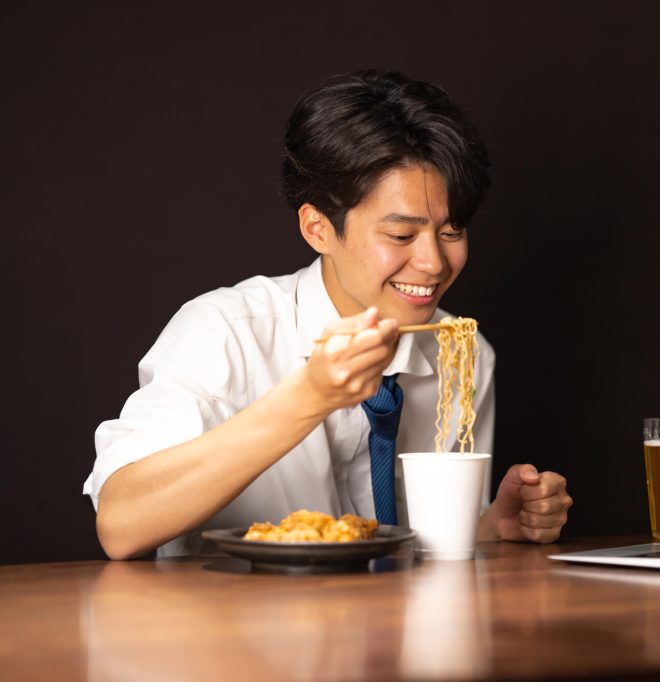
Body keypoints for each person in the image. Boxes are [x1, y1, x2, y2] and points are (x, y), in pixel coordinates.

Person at [83, 70, 572, 559]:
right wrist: (308, 398)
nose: (434, 263)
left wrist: (491, 527)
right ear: (318, 228)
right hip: (232, 628)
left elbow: (424, 551)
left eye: (452, 232)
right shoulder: (225, 331)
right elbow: (121, 525)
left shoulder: (464, 353)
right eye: (402, 235)